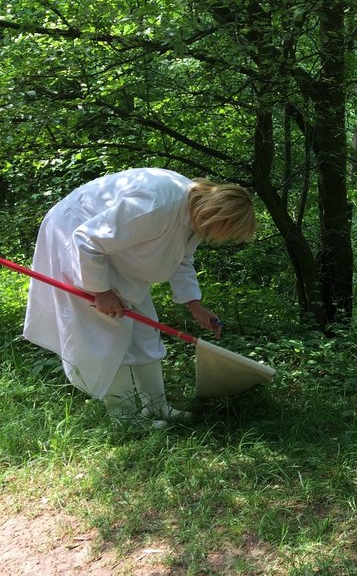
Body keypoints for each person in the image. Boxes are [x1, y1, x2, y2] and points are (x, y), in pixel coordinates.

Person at [23, 168, 257, 423]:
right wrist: (101, 292)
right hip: (75, 237)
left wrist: (194, 303)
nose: (218, 238)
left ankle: (156, 407)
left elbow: (180, 258)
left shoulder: (196, 215)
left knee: (146, 333)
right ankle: (124, 417)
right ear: (217, 215)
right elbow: (88, 239)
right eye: (225, 231)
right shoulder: (157, 204)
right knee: (108, 333)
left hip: (112, 252)